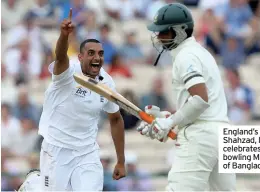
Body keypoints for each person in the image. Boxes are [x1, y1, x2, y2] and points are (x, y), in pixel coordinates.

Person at [21, 8, 126, 191]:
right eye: (91, 53)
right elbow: (60, 56)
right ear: (80, 57)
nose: (97, 58)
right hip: (56, 149)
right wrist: (64, 36)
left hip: (87, 152)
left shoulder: (107, 82)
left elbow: (116, 119)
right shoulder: (67, 73)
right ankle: (33, 184)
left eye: (100, 54)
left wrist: (121, 160)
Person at [136, 3, 236, 191]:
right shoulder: (200, 52)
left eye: (163, 32)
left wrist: (170, 122)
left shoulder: (186, 56)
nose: (158, 37)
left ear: (179, 32)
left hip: (200, 137)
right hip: (221, 133)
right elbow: (202, 103)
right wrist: (169, 118)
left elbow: (200, 100)